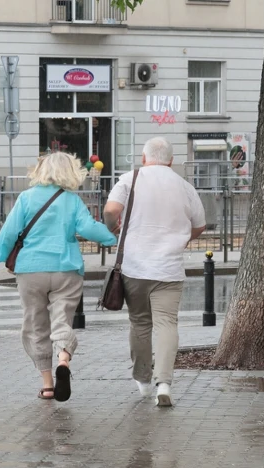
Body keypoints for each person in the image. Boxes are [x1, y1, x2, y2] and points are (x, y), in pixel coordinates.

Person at [0, 152, 117, 402]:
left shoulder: (26, 198)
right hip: (66, 268)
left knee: (35, 325)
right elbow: (88, 228)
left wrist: (1, 257)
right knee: (62, 321)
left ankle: (48, 384)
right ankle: (63, 360)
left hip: (31, 270)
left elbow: (9, 232)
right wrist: (112, 238)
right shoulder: (72, 201)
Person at [103, 137, 206, 407]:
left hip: (134, 266)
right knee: (167, 324)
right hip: (169, 268)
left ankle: (143, 380)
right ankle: (164, 383)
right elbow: (200, 225)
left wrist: (115, 228)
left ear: (144, 158)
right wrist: (183, 239)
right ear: (171, 161)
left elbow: (111, 211)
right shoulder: (184, 187)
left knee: (140, 322)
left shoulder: (129, 179)